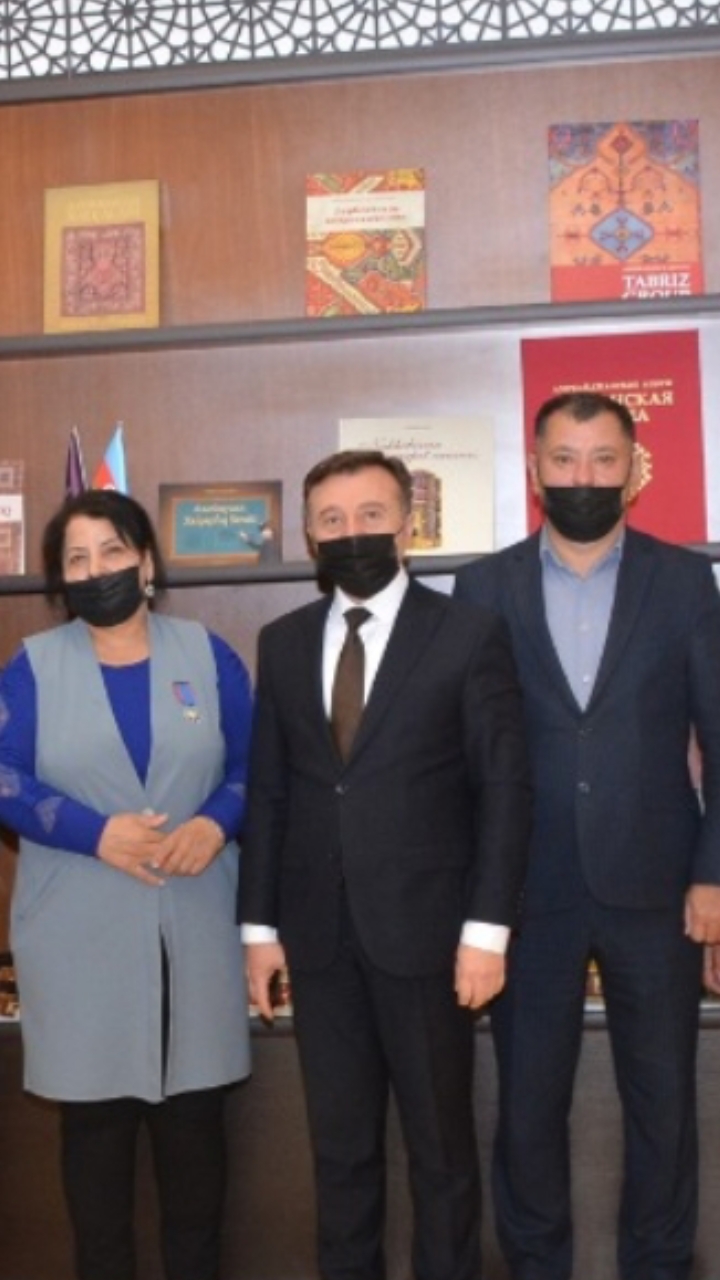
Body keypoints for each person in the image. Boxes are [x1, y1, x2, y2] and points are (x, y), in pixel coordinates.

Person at [240, 449, 532, 1280]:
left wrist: (487, 931)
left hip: (431, 941)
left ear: (408, 525)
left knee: (441, 1154)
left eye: (371, 515)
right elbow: (270, 791)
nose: (352, 533)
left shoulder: (468, 634)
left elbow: (504, 790)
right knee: (339, 1155)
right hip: (319, 941)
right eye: (331, 520)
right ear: (309, 536)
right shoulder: (283, 642)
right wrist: (258, 930)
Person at [454, 391, 720, 1280]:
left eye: (604, 459)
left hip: (658, 887)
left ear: (633, 472)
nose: (584, 476)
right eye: (564, 459)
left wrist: (714, 873)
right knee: (528, 1108)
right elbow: (470, 751)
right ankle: (537, 1266)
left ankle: (659, 1266)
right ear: (535, 471)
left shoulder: (684, 581)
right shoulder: (483, 586)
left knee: (663, 1104)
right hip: (527, 890)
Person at [0, 489, 253, 1280]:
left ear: (145, 562)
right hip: (79, 945)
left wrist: (216, 822)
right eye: (76, 559)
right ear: (60, 579)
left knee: (196, 1178)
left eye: (111, 551)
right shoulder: (33, 666)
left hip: (196, 936)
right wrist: (93, 831)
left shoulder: (207, 654)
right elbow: (4, 778)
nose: (96, 570)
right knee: (98, 1186)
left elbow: (257, 766)